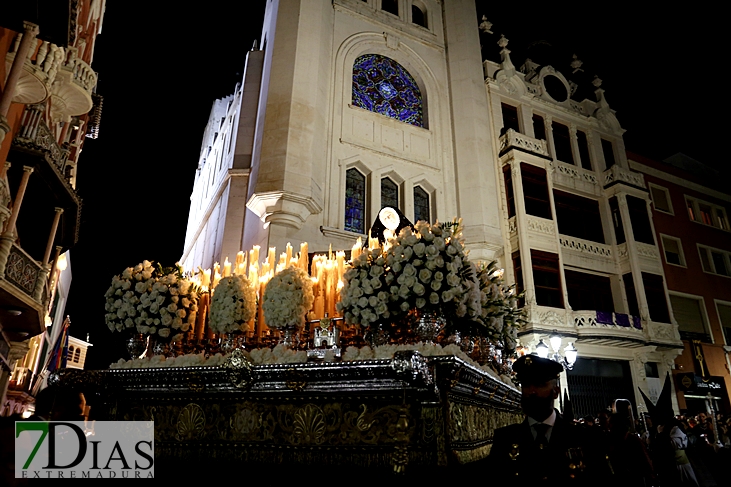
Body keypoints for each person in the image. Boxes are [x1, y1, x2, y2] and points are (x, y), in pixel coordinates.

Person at [487, 354, 595, 483]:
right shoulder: (505, 438)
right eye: (527, 385)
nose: (532, 391)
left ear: (555, 392)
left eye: (539, 385)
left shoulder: (582, 436)